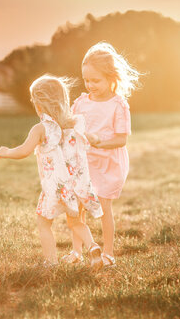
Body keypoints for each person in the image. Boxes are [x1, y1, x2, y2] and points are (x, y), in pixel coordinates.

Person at [0, 74, 104, 269]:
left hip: (56, 187)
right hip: (77, 184)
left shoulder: (41, 129)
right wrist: (95, 139)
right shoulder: (74, 123)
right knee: (76, 223)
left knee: (44, 222)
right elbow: (91, 137)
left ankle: (50, 262)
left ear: (39, 105)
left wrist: (6, 152)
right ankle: (93, 246)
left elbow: (24, 151)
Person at [66, 42, 140, 267]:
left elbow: (121, 139)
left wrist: (99, 142)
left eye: (95, 80)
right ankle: (77, 251)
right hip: (84, 162)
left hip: (109, 163)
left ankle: (108, 252)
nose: (90, 85)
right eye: (86, 80)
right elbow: (71, 127)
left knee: (103, 207)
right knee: (78, 206)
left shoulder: (118, 105)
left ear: (111, 78)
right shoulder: (80, 103)